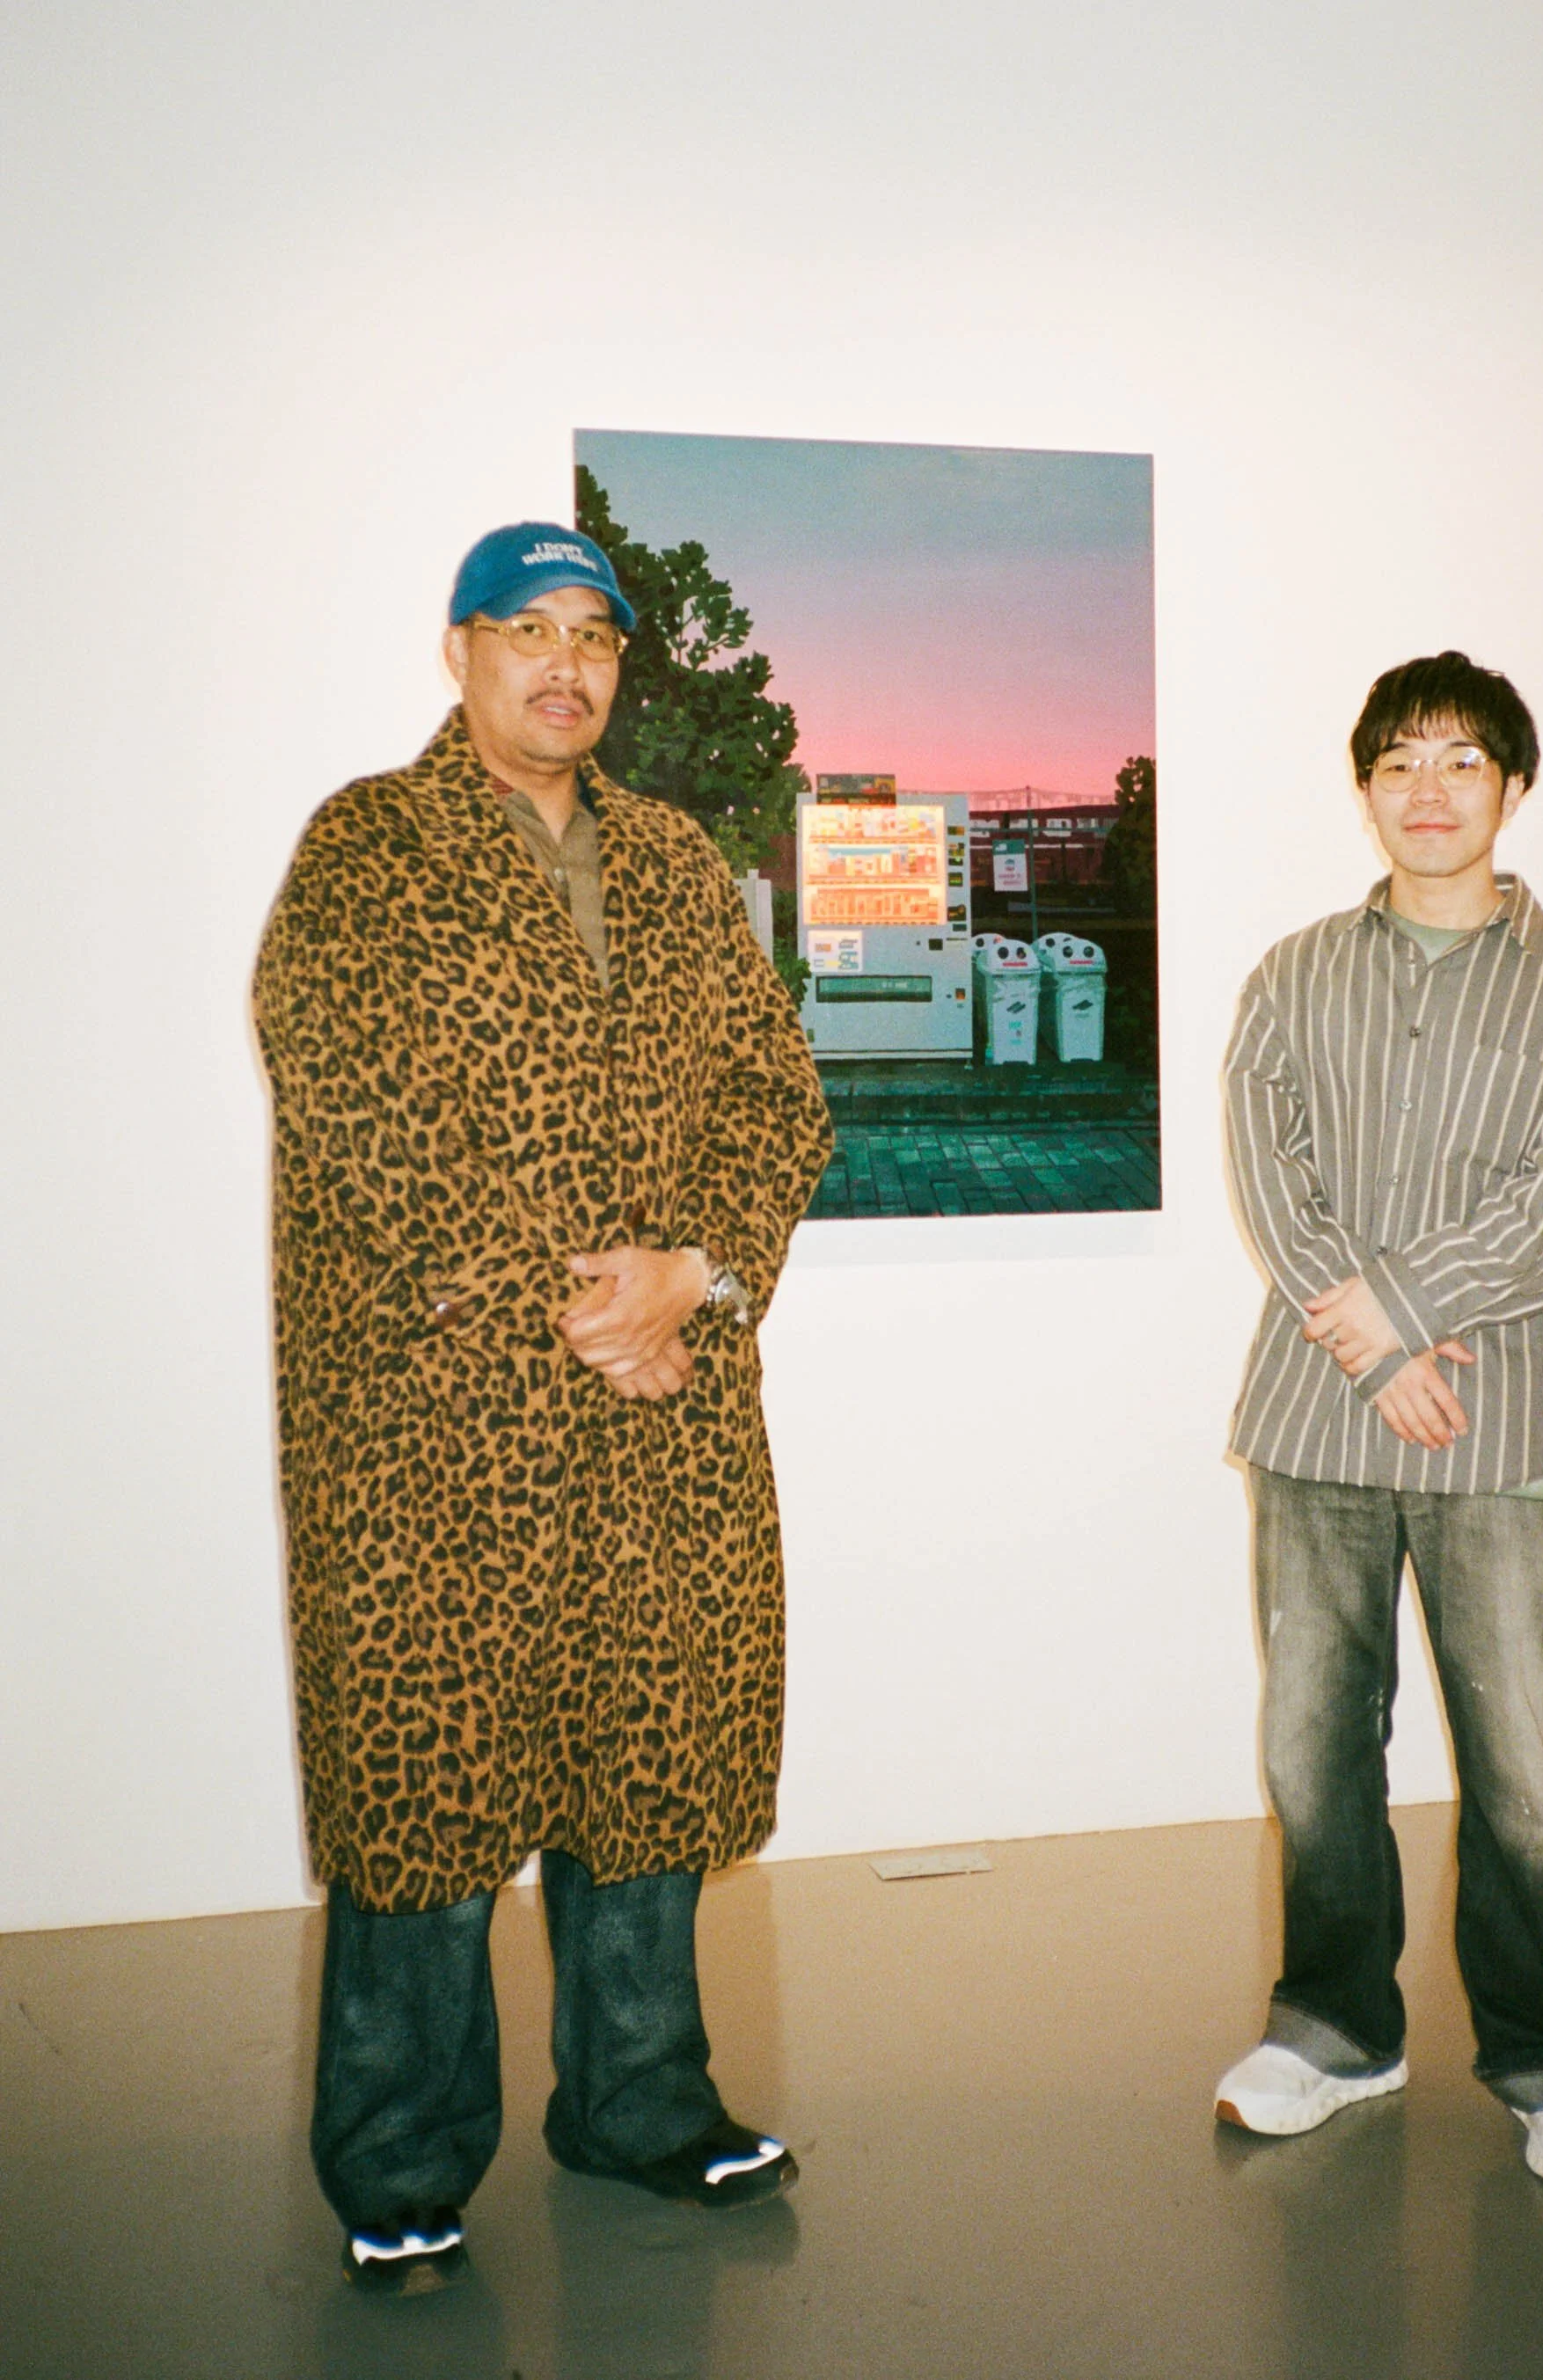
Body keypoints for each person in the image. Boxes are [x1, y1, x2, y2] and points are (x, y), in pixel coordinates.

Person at [254, 522, 834, 2290]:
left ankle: (640, 2101)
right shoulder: (367, 848)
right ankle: (400, 2155)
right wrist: (580, 1303)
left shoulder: (672, 859)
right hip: (425, 1417)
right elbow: (350, 1102)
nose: (565, 662)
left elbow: (775, 1096)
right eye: (528, 627)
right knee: (423, 1774)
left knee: (643, 1754)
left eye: (594, 633)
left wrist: (693, 1273)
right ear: (461, 650)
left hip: (659, 1412)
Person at [1215, 651, 1543, 2186]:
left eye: (1462, 760)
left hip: (1505, 1414)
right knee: (1311, 1748)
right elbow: (1270, 1170)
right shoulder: (1290, 974)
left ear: (1511, 787)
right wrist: (1366, 1345)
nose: (1428, 788)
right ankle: (1335, 2029)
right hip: (1318, 1421)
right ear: (1362, 789)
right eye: (1399, 759)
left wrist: (1398, 1307)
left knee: (1519, 1762)